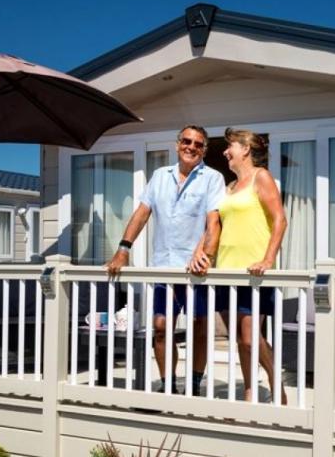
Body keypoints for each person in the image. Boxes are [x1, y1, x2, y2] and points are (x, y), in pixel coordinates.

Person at [105, 125, 224, 395]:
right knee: (160, 328)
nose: (191, 147)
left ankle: (193, 385)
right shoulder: (159, 176)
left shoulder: (212, 178)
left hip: (196, 271)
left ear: (204, 149)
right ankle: (168, 385)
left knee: (199, 330)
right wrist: (124, 249)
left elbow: (214, 222)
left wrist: (204, 255)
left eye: (197, 143)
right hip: (164, 267)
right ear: (177, 144)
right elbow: (142, 213)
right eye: (186, 141)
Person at [213, 127, 288, 404]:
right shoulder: (229, 188)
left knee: (250, 338)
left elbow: (280, 219)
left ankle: (273, 378)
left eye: (229, 146)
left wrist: (268, 259)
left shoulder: (262, 177)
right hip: (225, 271)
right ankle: (249, 389)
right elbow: (219, 228)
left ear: (245, 149)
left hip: (253, 272)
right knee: (240, 340)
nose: (224, 151)